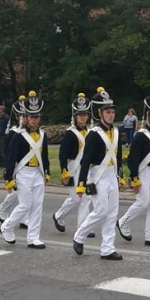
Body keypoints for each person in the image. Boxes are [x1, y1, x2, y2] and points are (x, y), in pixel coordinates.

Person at [72, 87, 124, 260]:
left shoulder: (116, 132)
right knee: (101, 210)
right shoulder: (94, 134)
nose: (111, 115)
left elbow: (118, 156)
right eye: (107, 112)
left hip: (112, 174)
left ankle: (107, 248)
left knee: (112, 212)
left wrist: (120, 176)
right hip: (97, 175)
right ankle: (79, 236)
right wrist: (81, 183)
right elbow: (85, 160)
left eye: (112, 112)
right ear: (100, 114)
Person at [117, 90, 150, 247]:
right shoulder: (140, 135)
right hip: (143, 172)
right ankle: (123, 222)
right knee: (143, 202)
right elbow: (133, 159)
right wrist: (135, 177)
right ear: (147, 116)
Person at [0, 91, 50, 248]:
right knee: (25, 205)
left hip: (38, 173)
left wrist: (46, 172)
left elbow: (45, 156)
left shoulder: (42, 135)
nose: (34, 120)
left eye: (37, 117)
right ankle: (7, 226)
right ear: (26, 118)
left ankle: (33, 237)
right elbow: (11, 158)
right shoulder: (19, 135)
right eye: (32, 117)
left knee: (37, 206)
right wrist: (8, 178)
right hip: (23, 172)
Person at [52, 93, 93, 236]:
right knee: (77, 198)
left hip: (87, 168)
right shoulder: (70, 133)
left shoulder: (90, 132)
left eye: (85, 115)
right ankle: (59, 215)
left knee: (85, 198)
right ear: (75, 116)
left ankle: (83, 227)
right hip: (74, 167)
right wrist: (64, 172)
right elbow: (62, 154)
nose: (82, 117)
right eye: (80, 115)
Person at [0, 95, 26, 225]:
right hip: (17, 166)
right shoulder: (14, 132)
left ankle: (25, 219)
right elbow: (9, 153)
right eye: (23, 116)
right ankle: (3, 208)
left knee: (27, 196)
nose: (25, 119)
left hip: (29, 167)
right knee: (16, 191)